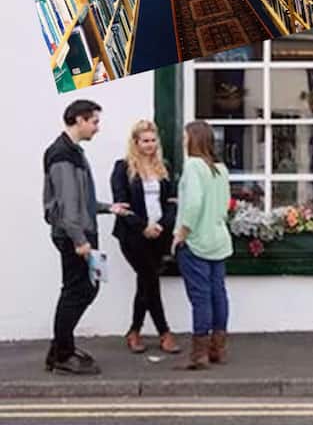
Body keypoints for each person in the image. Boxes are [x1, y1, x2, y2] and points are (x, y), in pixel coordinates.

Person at [43, 100, 131, 375]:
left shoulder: (74, 152)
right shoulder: (62, 155)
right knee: (76, 291)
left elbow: (81, 200)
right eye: (94, 121)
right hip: (73, 235)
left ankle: (60, 347)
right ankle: (62, 354)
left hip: (80, 231)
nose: (97, 128)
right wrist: (80, 241)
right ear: (79, 120)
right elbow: (68, 206)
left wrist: (108, 208)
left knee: (84, 289)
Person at [110, 120, 181, 355]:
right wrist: (143, 227)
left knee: (146, 281)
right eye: (145, 141)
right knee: (150, 278)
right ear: (136, 143)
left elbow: (172, 203)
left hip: (159, 235)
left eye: (153, 140)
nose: (149, 145)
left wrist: (161, 225)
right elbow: (122, 204)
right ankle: (164, 333)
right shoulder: (123, 168)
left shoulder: (164, 167)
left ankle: (134, 331)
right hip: (133, 236)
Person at [172, 121, 233, 370]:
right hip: (219, 239)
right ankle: (217, 349)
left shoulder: (193, 166)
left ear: (194, 139)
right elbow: (224, 203)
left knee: (200, 297)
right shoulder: (220, 169)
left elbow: (195, 203)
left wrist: (182, 233)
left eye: (185, 136)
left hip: (197, 241)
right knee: (218, 294)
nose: (183, 140)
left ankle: (199, 355)